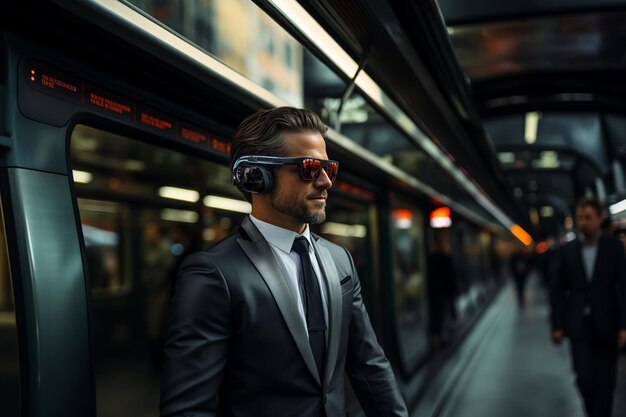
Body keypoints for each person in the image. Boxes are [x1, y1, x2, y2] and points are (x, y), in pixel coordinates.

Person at [160, 107, 408, 417]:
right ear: (257, 176)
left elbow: (369, 365)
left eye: (328, 168)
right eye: (309, 168)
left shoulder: (339, 261)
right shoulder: (213, 274)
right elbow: (188, 410)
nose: (325, 181)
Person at [550, 196, 626, 417]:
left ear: (600, 219)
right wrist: (557, 325)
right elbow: (557, 290)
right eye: (580, 218)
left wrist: (624, 325)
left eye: (588, 217)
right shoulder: (567, 251)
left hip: (607, 325)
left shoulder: (613, 248)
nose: (583, 222)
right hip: (578, 326)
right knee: (584, 380)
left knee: (606, 382)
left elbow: (623, 287)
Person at [426, 236, 458, 351]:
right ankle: (440, 337)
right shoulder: (445, 259)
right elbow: (450, 278)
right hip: (442, 293)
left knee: (436, 315)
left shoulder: (429, 259)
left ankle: (436, 337)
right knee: (441, 315)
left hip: (434, 293)